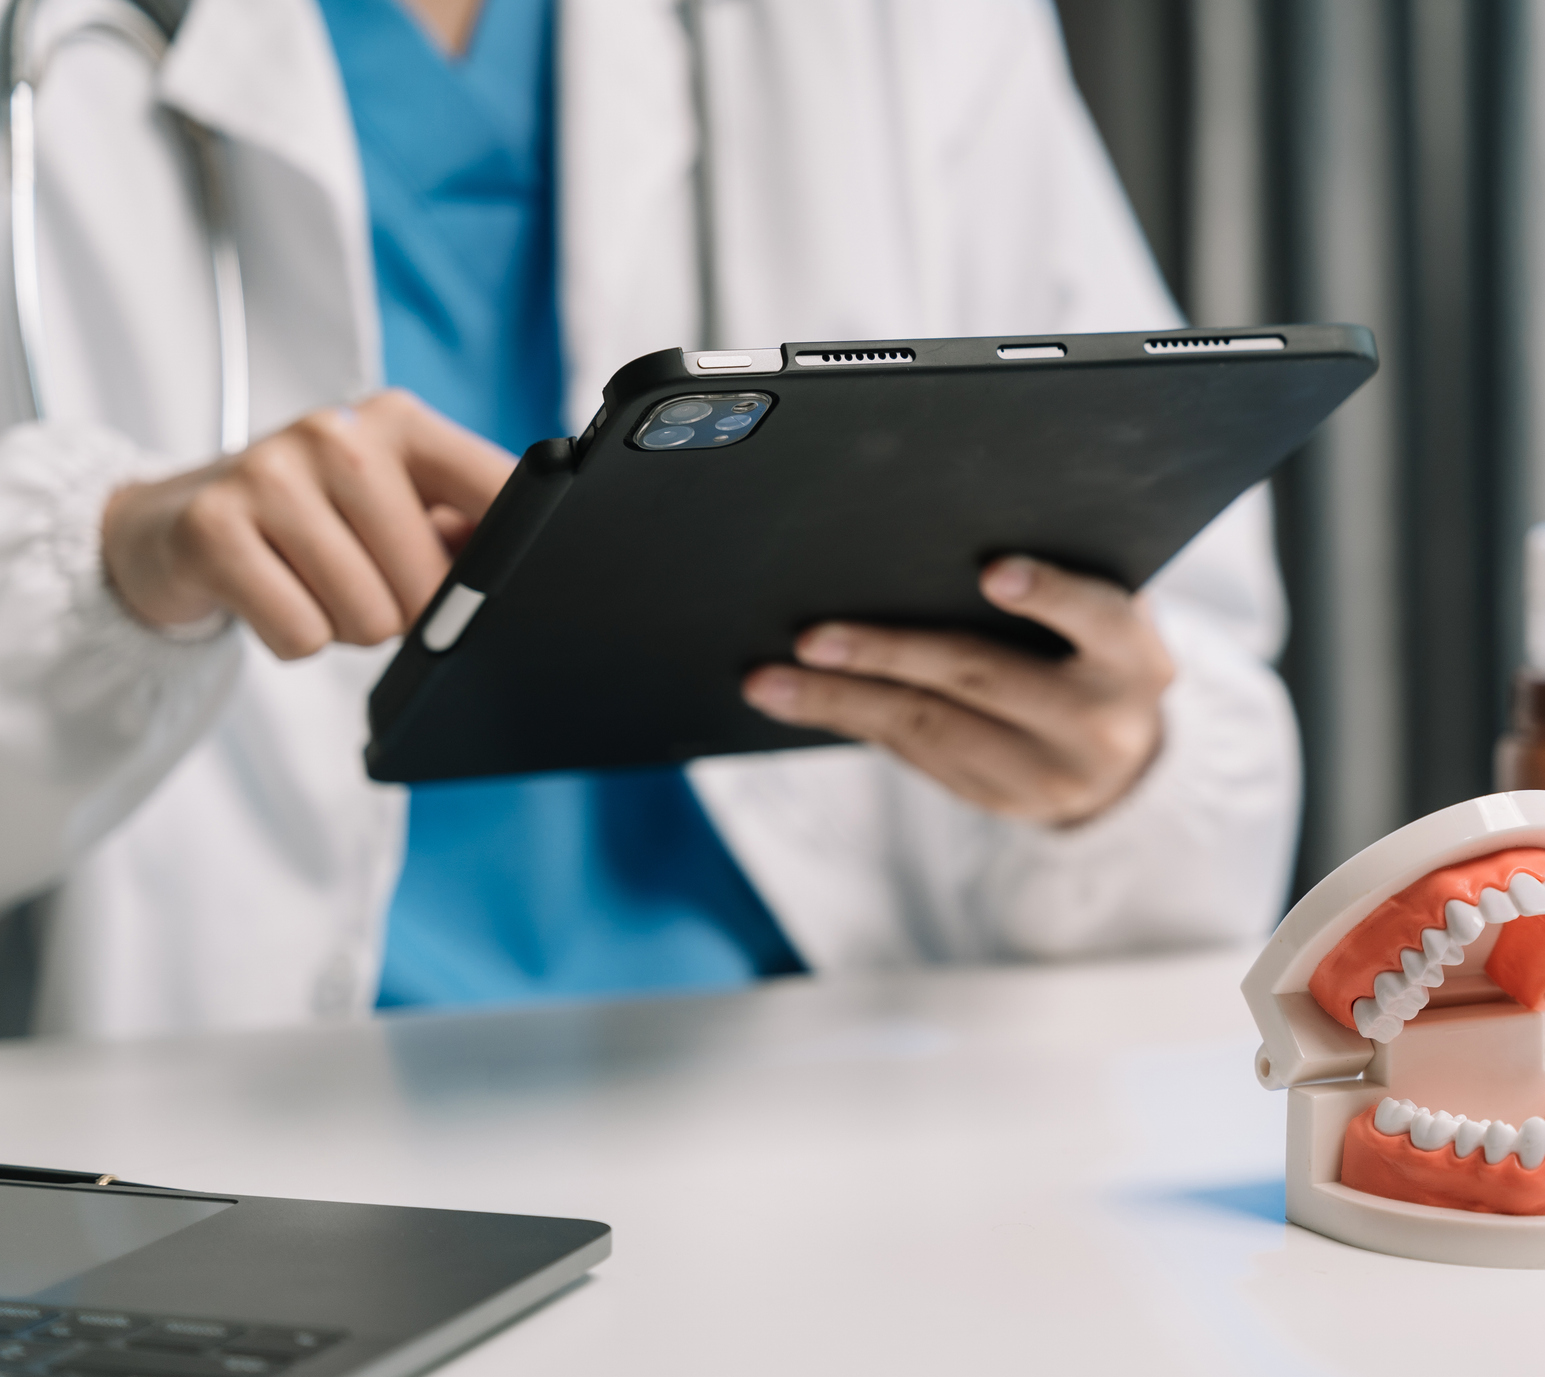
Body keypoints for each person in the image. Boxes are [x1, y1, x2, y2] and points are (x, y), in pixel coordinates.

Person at [0, 0, 1299, 1038]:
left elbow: (1190, 680)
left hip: (840, 1103)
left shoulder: (903, 30)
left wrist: (1115, 771)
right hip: (239, 1125)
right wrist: (112, 565)